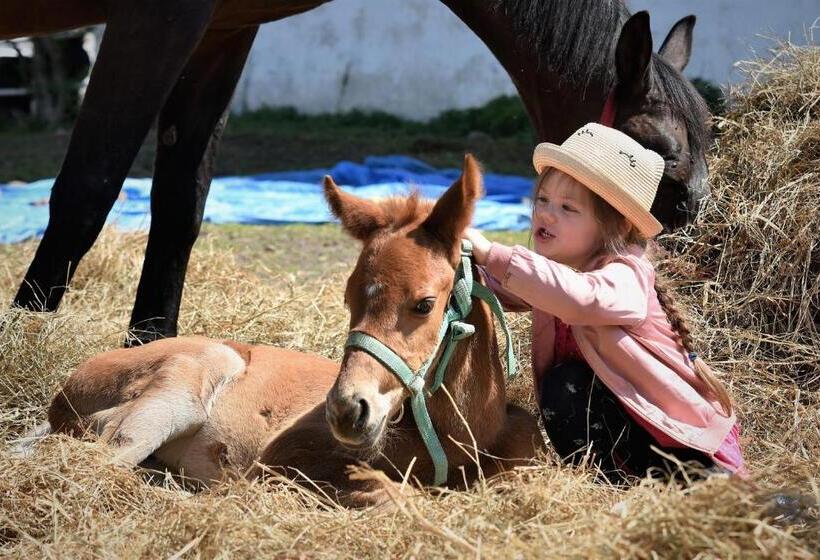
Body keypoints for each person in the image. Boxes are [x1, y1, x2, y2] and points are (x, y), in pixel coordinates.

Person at [465, 123, 746, 482]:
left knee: (563, 384)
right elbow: (511, 288)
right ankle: (612, 484)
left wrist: (494, 254)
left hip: (681, 445)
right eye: (542, 200)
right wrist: (463, 264)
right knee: (563, 385)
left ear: (616, 227)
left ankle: (681, 487)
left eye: (568, 207)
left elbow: (581, 298)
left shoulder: (626, 274)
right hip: (628, 434)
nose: (546, 214)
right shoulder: (559, 275)